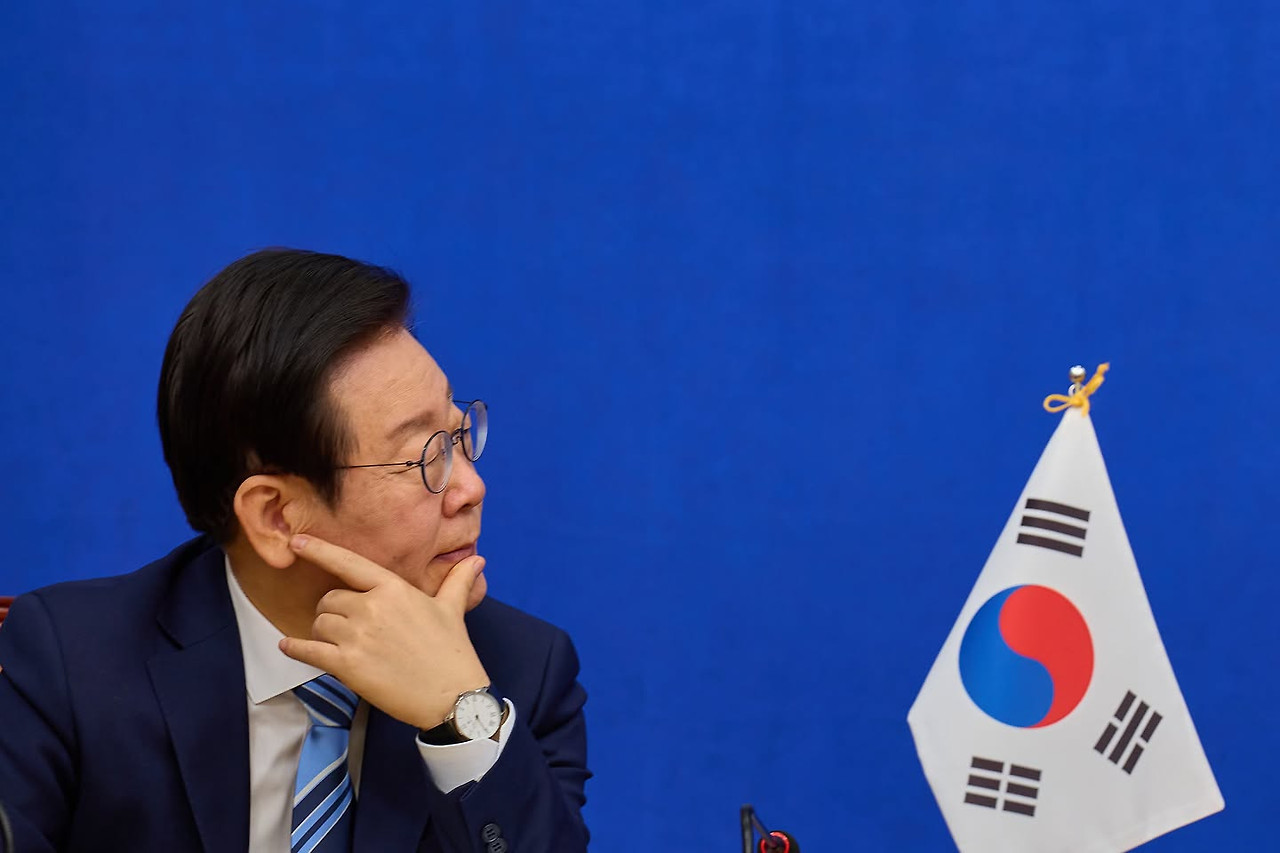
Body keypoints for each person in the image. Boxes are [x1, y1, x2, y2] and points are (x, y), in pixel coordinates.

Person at [0, 249, 590, 852]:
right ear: (277, 517)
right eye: (425, 457)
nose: (471, 488)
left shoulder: (519, 673)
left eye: (459, 434)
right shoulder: (71, 664)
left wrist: (460, 718)